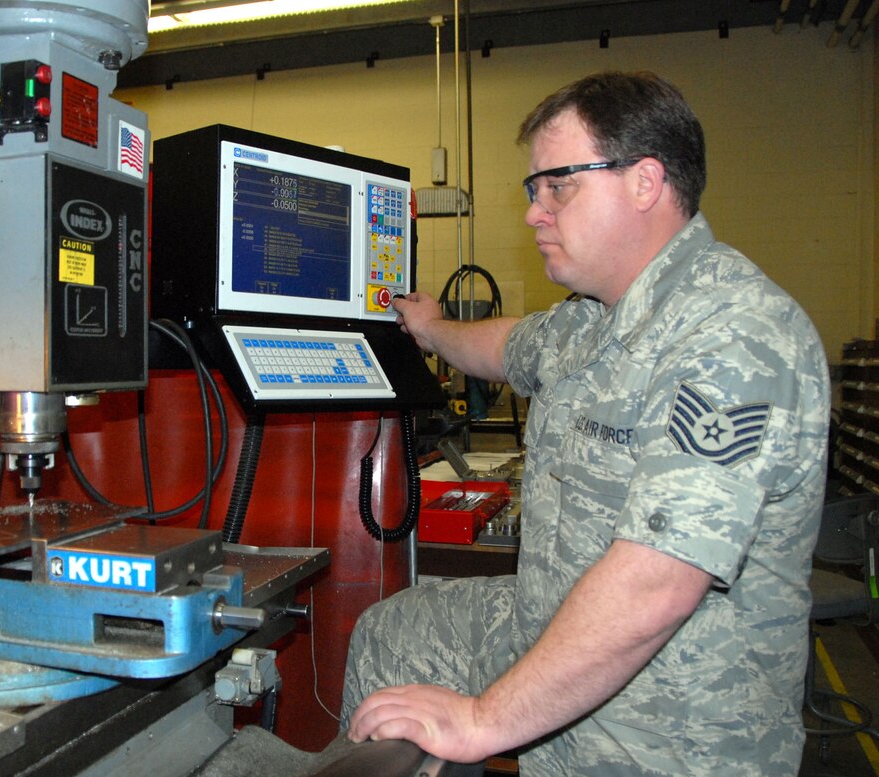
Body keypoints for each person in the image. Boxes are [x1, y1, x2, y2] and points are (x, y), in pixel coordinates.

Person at [341, 71, 831, 777]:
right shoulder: (588, 320)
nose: (535, 212)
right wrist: (431, 328)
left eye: (558, 184)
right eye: (532, 190)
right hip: (547, 619)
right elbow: (505, 346)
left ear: (645, 182)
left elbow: (656, 586)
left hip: (676, 721)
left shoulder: (738, 335)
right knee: (393, 630)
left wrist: (482, 719)